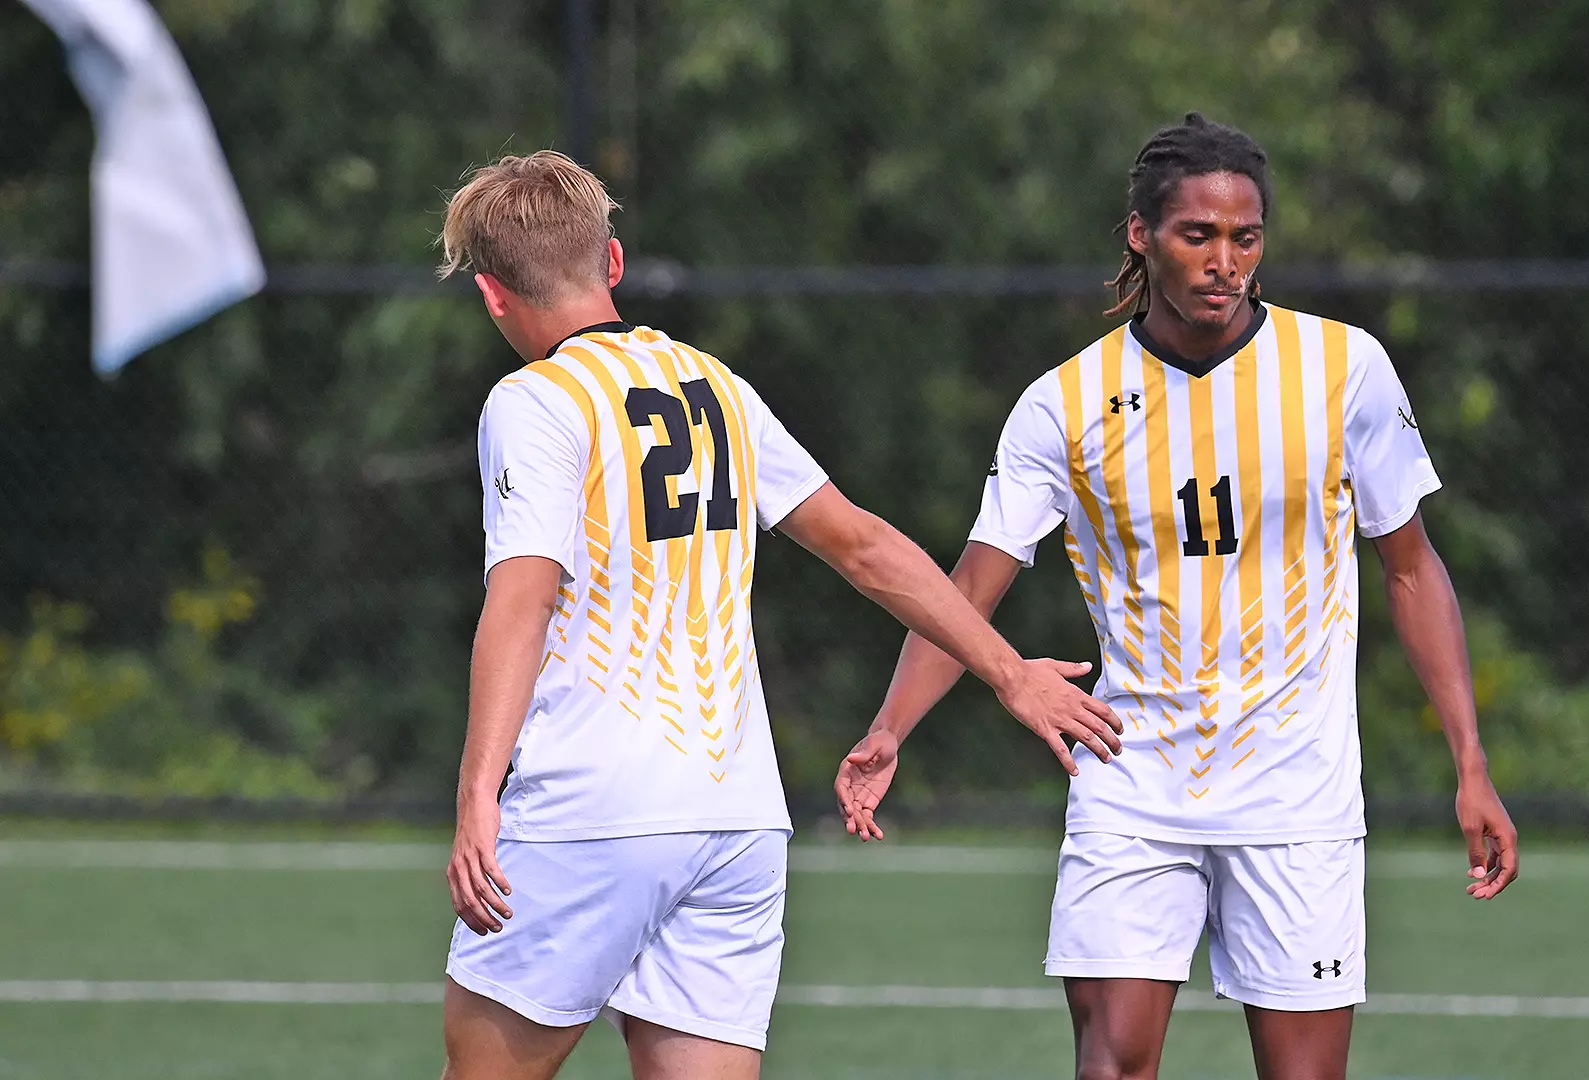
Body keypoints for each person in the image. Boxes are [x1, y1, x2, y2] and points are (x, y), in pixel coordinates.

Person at [834, 114, 1519, 1080]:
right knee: (1112, 1065)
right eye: (1198, 235)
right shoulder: (1064, 404)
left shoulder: (1343, 369)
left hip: (1297, 791)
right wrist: (891, 727)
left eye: (1246, 238)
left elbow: (1410, 568)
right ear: (1140, 234)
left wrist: (1470, 762)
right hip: (1131, 782)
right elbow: (969, 588)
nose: (1224, 261)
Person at [434, 150, 1122, 1080]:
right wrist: (1009, 672)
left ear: (492, 296)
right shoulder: (714, 384)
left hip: (593, 808)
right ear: (615, 262)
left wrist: (479, 790)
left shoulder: (534, 401)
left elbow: (523, 595)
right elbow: (864, 545)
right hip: (737, 818)